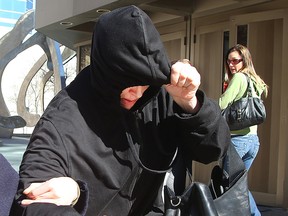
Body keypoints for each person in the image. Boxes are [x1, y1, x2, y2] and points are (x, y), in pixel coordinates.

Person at [11, 5, 230, 216]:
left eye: (144, 83)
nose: (136, 93)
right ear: (106, 74)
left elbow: (213, 150)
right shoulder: (65, 116)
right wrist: (73, 193)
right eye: (126, 84)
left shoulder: (160, 92)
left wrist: (190, 104)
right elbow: (31, 197)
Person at [219, 44, 268, 216]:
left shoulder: (239, 78)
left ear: (244, 61)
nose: (231, 64)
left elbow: (222, 103)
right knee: (239, 186)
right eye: (228, 61)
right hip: (253, 142)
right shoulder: (256, 81)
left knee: (232, 186)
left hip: (238, 141)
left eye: (235, 61)